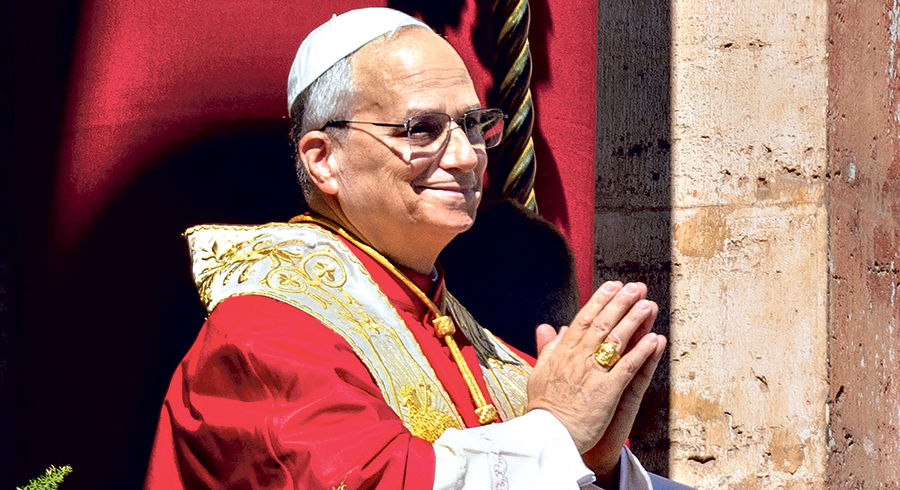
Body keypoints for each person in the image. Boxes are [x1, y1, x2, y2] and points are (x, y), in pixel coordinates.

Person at [144, 8, 675, 489]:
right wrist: (554, 434)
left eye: (472, 124)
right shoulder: (261, 337)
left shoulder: (474, 340)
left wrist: (598, 464)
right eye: (422, 129)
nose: (467, 156)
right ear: (324, 158)